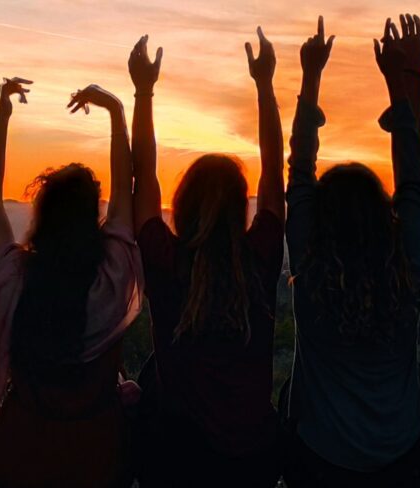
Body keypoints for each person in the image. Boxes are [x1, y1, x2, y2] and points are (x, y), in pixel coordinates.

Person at [130, 25, 289, 487]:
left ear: (180, 205)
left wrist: (143, 94)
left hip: (176, 460)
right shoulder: (259, 255)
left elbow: (145, 182)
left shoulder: (166, 259)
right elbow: (274, 177)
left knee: (149, 380)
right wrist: (265, 86)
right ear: (242, 207)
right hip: (252, 459)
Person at [280, 15, 420, 488]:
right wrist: (400, 79)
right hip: (401, 453)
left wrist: (311, 74)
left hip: (322, 458)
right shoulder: (406, 263)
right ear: (384, 216)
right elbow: (412, 178)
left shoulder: (309, 265)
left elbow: (299, 171)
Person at [0, 67, 143, 486]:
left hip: (19, 454)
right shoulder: (111, 280)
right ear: (92, 217)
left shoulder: (16, 279)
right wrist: (116, 111)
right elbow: (126, 192)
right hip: (95, 455)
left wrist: (3, 111)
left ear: (42, 217)